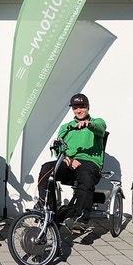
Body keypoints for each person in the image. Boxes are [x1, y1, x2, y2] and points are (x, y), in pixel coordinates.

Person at [36, 93, 107, 234]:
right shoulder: (66, 127)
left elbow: (100, 128)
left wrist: (89, 124)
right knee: (46, 168)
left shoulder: (97, 121)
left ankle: (80, 218)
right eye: (75, 107)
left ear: (88, 107)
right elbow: (59, 147)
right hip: (69, 162)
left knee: (86, 176)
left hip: (89, 162)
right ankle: (48, 210)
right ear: (72, 109)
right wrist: (67, 159)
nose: (79, 110)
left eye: (82, 107)